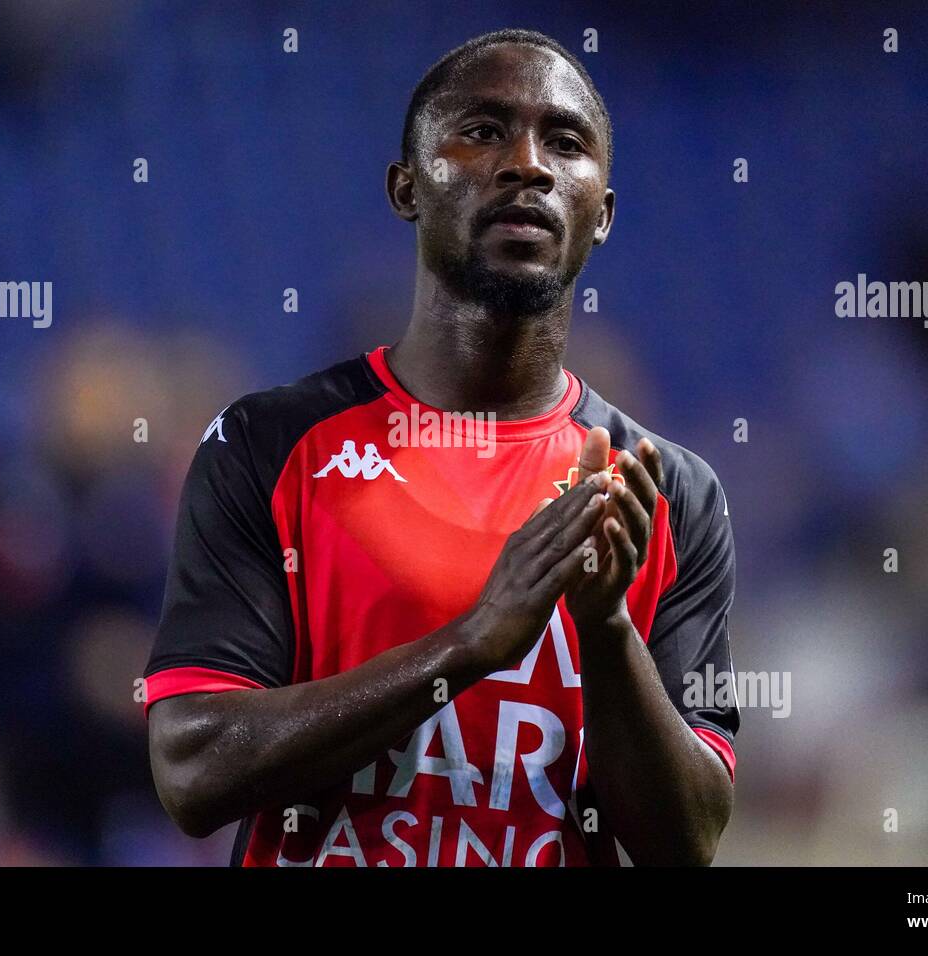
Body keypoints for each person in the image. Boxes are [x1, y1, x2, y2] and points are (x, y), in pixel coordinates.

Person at [144, 29, 738, 867]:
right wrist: (470, 645)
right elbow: (191, 768)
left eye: (565, 144)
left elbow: (687, 843)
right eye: (483, 132)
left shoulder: (667, 493)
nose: (526, 164)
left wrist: (605, 630)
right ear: (406, 188)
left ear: (600, 213)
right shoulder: (267, 446)